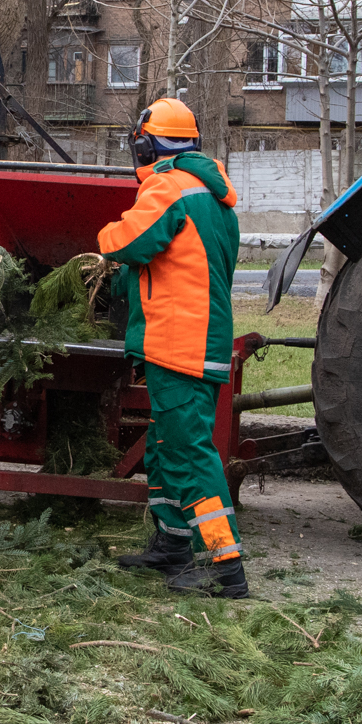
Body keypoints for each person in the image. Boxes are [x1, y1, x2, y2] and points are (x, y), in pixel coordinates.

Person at [95, 99, 248, 598]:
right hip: (199, 340)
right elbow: (177, 265)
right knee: (166, 445)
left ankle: (227, 567)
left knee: (189, 452)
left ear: (145, 143)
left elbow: (127, 242)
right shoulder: (212, 195)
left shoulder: (167, 185)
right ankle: (172, 544)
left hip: (179, 344)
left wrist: (100, 239)